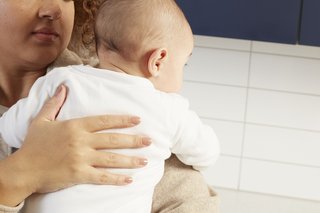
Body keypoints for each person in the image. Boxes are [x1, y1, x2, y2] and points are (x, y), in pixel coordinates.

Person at [0, 0, 220, 212]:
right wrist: (18, 174)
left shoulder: (63, 82)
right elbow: (206, 151)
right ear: (157, 60)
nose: (53, 9)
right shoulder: (163, 108)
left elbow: (192, 202)